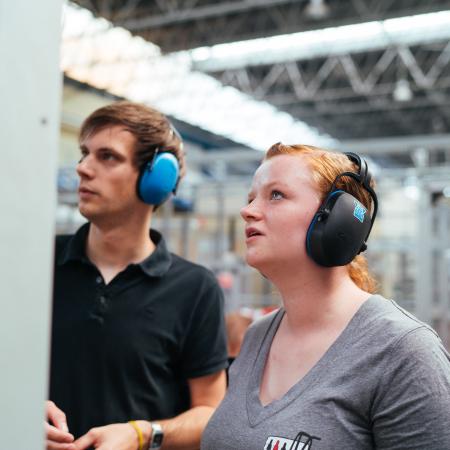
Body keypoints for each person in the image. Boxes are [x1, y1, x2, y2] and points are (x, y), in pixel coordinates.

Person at [201, 143, 450, 449]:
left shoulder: (402, 352)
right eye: (251, 198)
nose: (247, 211)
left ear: (339, 220)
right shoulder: (256, 338)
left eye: (276, 195)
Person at [46, 101, 228, 450]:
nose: (83, 168)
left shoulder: (195, 289)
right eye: (84, 154)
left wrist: (142, 433)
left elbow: (211, 413)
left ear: (156, 178)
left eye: (107, 157)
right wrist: (17, 410)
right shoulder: (36, 264)